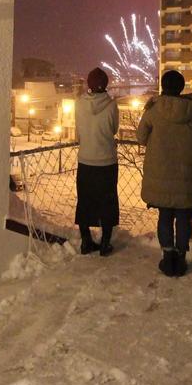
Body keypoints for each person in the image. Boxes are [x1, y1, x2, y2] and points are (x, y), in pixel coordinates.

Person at [136, 70, 192, 277]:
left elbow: (141, 137)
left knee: (165, 215)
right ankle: (181, 258)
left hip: (160, 172)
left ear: (163, 86)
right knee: (184, 216)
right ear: (181, 87)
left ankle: (168, 257)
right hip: (186, 174)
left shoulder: (152, 109)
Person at [74, 67, 120, 256]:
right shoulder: (111, 105)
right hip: (107, 162)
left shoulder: (78, 103)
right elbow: (114, 129)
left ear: (89, 84)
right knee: (107, 201)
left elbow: (78, 131)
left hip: (85, 160)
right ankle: (105, 243)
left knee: (84, 200)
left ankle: (86, 242)